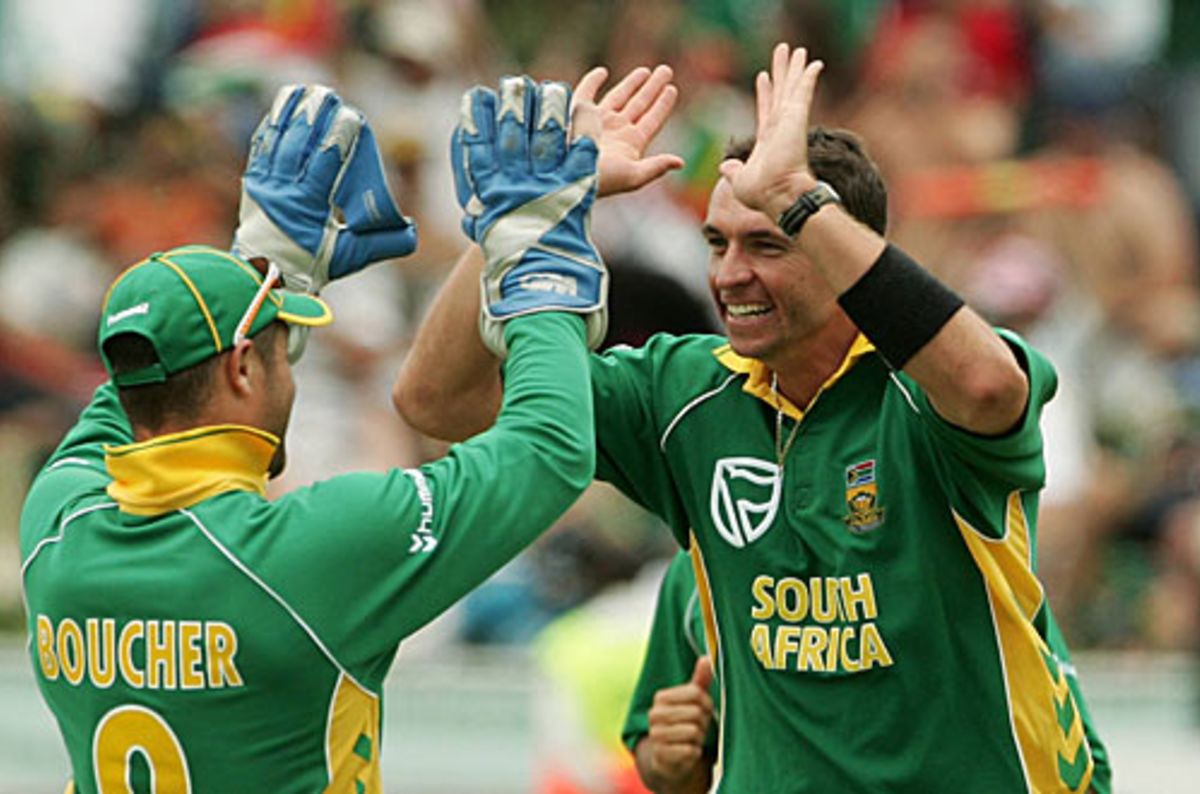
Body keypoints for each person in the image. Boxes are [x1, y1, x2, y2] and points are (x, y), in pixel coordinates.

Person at [393, 45, 1110, 792]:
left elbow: (990, 388)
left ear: (843, 253)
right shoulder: (683, 394)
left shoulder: (923, 386)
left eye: (768, 243)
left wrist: (798, 196)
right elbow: (439, 401)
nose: (730, 273)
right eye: (717, 243)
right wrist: (521, 220)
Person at [19, 75, 612, 793]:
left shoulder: (56, 524)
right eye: (281, 347)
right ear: (242, 368)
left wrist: (263, 273)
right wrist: (537, 254)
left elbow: (136, 392)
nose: (292, 372)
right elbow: (548, 452)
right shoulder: (308, 551)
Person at [622, 551, 1112, 793]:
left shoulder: (957, 549)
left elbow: (1078, 763)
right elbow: (666, 762)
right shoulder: (698, 571)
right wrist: (668, 759)